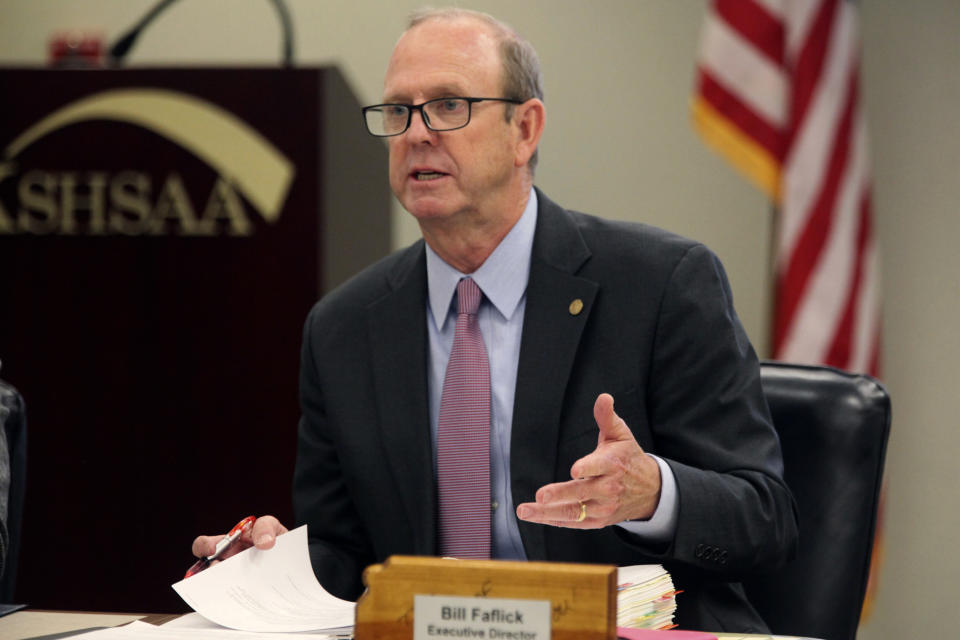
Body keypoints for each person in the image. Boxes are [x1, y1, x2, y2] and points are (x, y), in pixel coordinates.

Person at [192, 8, 797, 632]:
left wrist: (654, 494)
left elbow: (766, 519)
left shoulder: (663, 284)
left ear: (525, 129)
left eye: (449, 105)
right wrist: (270, 567)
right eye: (398, 111)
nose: (417, 134)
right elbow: (347, 556)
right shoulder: (343, 327)